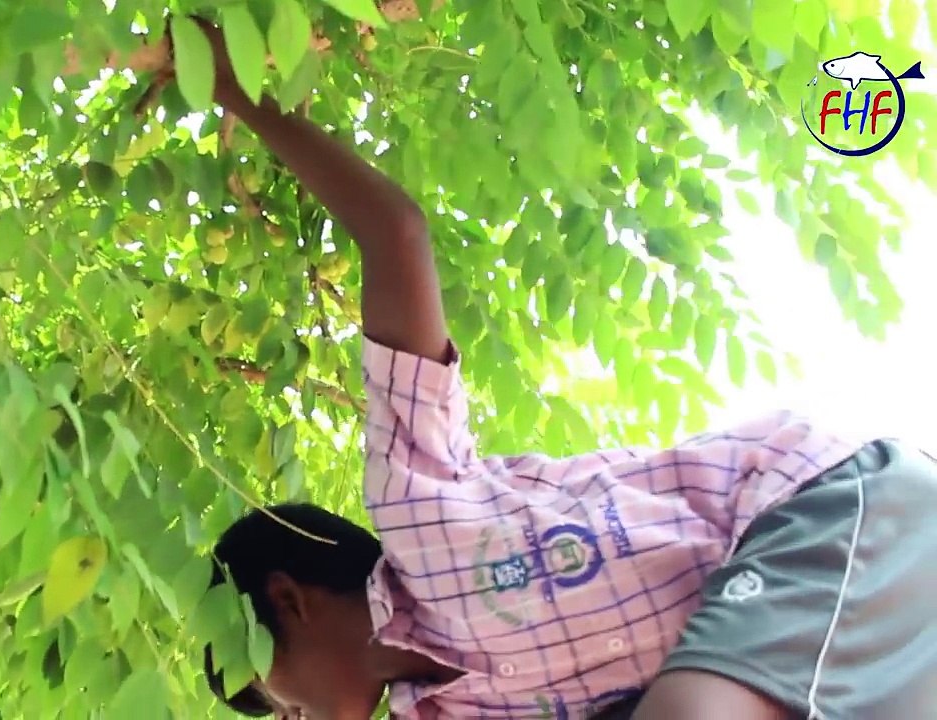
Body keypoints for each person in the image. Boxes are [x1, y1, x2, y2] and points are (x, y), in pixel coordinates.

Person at [185, 22, 937, 720]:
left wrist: (232, 86)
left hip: (825, 511)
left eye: (273, 699)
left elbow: (394, 234)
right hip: (854, 658)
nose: (291, 718)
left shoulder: (419, 501)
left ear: (288, 600)